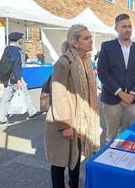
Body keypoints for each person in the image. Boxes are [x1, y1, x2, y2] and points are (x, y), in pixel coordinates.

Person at [44, 24, 101, 188]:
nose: (91, 40)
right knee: (60, 161)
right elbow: (58, 94)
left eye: (90, 37)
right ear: (74, 43)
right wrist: (65, 125)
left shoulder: (86, 61)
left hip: (79, 120)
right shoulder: (64, 62)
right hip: (65, 121)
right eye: (86, 38)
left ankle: (73, 185)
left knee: (74, 158)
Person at [97, 14, 135, 143]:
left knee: (125, 136)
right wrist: (120, 93)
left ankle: (122, 161)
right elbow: (103, 73)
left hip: (131, 100)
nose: (128, 29)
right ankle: (108, 161)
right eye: (124, 26)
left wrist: (131, 94)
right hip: (112, 100)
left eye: (130, 26)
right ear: (116, 28)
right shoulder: (107, 47)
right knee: (111, 136)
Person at [0, 32, 40, 125]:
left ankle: (2, 119)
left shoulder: (7, 48)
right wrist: (18, 79)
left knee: (6, 97)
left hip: (8, 78)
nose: (22, 40)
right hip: (14, 78)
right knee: (25, 93)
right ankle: (32, 113)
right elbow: (16, 65)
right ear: (18, 39)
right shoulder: (15, 50)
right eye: (21, 38)